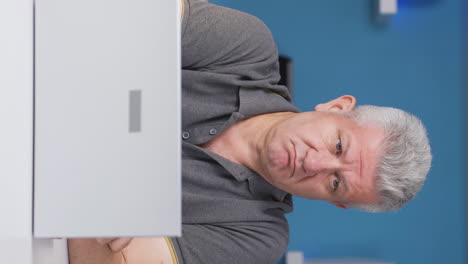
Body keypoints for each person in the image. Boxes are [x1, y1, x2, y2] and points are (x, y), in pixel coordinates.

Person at [69, 0, 432, 263]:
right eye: (338, 145)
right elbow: (112, 15)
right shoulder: (247, 47)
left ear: (335, 202)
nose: (315, 163)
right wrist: (106, 199)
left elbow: (101, 260)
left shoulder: (258, 238)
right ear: (336, 107)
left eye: (336, 182)